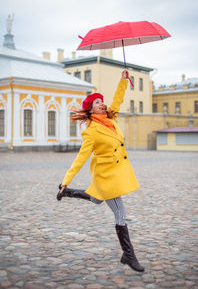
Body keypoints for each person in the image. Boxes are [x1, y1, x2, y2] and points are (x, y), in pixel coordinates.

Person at [57, 70, 144, 272]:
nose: (102, 104)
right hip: (106, 177)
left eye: (102, 101)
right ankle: (129, 256)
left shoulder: (110, 118)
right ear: (90, 109)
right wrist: (66, 180)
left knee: (97, 199)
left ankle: (68, 194)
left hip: (115, 172)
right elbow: (80, 158)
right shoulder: (91, 132)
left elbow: (118, 100)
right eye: (97, 103)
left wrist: (123, 80)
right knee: (121, 214)